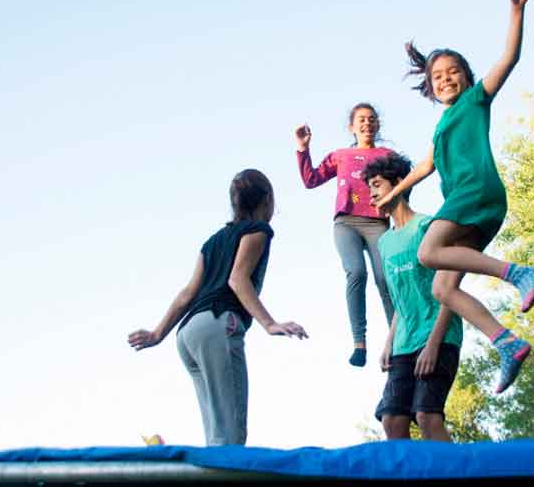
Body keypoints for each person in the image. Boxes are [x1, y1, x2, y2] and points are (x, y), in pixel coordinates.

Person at [373, 0, 534, 394]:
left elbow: (509, 59)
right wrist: (393, 191)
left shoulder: (474, 101)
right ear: (429, 88)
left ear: (466, 77)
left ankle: (518, 273)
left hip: (474, 193)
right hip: (473, 207)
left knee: (429, 252)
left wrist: (516, 10)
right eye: (437, 76)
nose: (445, 79)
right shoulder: (443, 126)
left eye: (452, 72)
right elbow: (425, 168)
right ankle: (507, 342)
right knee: (443, 288)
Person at [127, 169, 308, 445]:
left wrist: (157, 334)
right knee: (231, 436)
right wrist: (270, 323)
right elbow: (238, 279)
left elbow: (188, 293)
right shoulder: (258, 231)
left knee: (217, 434)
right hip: (218, 324)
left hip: (188, 334)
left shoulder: (212, 242)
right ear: (268, 200)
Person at [365, 153, 463, 441]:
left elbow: (450, 288)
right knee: (392, 420)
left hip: (438, 337)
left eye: (377, 184)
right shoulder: (384, 242)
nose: (371, 193)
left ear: (398, 184)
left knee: (426, 416)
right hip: (403, 344)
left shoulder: (428, 227)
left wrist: (433, 344)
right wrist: (389, 343)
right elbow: (400, 298)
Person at [294, 103, 395, 367]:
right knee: (356, 272)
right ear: (351, 126)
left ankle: (398, 340)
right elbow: (311, 179)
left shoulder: (387, 155)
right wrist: (303, 149)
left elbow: (402, 186)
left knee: (385, 278)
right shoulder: (341, 155)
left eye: (372, 119)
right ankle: (359, 343)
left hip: (377, 222)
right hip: (346, 222)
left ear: (378, 125)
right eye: (361, 119)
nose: (367, 124)